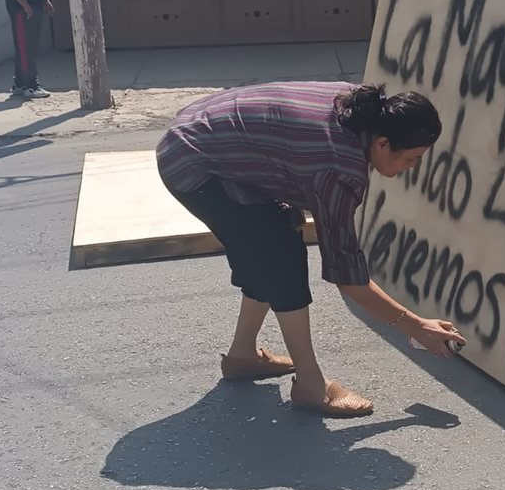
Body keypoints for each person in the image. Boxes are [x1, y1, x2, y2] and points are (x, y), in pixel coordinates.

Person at [156, 81, 467, 418]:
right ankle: (310, 386)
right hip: (192, 161)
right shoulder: (340, 170)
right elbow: (349, 280)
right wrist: (417, 326)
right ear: (382, 143)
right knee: (283, 259)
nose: (413, 167)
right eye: (412, 158)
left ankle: (241, 356)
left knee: (272, 238)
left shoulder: (362, 105)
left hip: (207, 131)